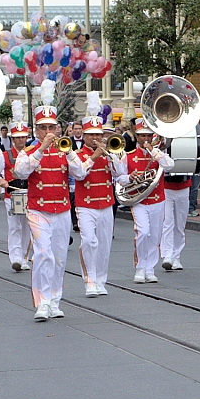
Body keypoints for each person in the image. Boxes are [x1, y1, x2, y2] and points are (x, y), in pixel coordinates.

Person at [13, 99, 88, 321]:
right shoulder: (29, 151)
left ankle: (55, 300)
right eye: (43, 127)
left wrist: (71, 152)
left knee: (59, 257)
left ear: (57, 128)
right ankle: (42, 302)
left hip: (62, 210)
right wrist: (42, 149)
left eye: (51, 127)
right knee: (43, 254)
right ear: (36, 130)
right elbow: (20, 172)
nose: (48, 131)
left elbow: (81, 173)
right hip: (39, 210)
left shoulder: (64, 149)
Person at [73, 106, 129, 297]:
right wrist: (94, 156)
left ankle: (100, 280)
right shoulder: (76, 155)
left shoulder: (109, 153)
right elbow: (79, 174)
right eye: (91, 135)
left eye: (98, 134)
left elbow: (120, 176)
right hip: (85, 205)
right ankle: (90, 281)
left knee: (104, 245)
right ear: (84, 136)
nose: (95, 138)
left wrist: (115, 158)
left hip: (106, 204)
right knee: (89, 241)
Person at [126, 119, 175, 283]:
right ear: (136, 136)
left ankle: (150, 268)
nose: (145, 139)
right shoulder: (130, 157)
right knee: (143, 232)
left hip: (157, 199)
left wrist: (153, 151)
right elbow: (120, 178)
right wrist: (129, 178)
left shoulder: (158, 155)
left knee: (154, 236)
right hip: (139, 201)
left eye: (148, 135)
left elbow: (169, 165)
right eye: (142, 136)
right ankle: (140, 266)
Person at [0, 116, 33, 272]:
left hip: (30, 194)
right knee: (14, 227)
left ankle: (24, 257)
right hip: (11, 195)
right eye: (18, 138)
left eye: (23, 137)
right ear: (12, 139)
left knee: (27, 227)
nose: (21, 140)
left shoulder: (32, 154)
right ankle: (16, 258)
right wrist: (1, 181)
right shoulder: (5, 155)